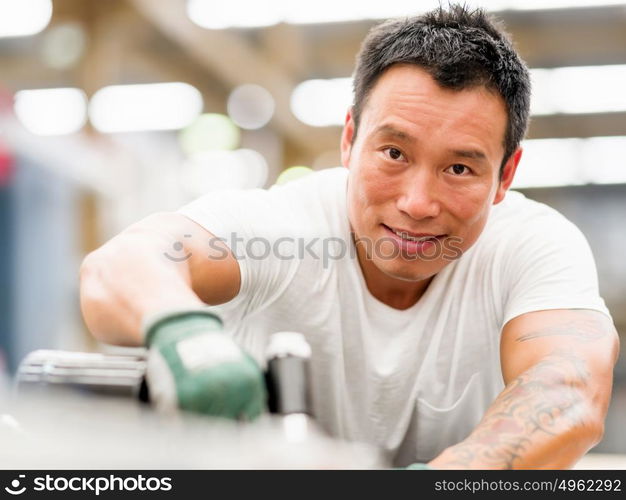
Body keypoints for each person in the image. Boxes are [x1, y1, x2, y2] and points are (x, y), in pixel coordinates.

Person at [79, 4, 619, 469]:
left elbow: (566, 389)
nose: (416, 202)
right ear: (349, 141)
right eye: (393, 153)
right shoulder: (285, 230)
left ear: (505, 175)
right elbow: (123, 263)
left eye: (459, 169)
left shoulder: (533, 246)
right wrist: (185, 334)